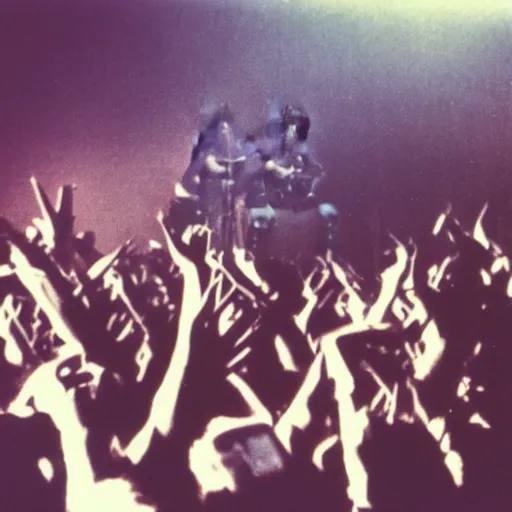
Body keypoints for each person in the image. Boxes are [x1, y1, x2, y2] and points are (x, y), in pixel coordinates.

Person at [242, 104, 340, 258]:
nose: (294, 131)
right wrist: (274, 169)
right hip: (272, 196)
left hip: (295, 198)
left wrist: (308, 174)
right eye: (292, 126)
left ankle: (326, 255)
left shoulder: (300, 150)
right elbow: (261, 164)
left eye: (297, 127)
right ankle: (252, 254)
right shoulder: (271, 146)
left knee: (326, 213)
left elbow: (316, 168)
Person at [174, 105, 246, 252]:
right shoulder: (207, 146)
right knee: (216, 221)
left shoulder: (233, 147)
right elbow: (207, 164)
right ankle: (214, 250)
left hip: (222, 194)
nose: (225, 132)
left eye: (227, 128)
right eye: (222, 128)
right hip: (210, 190)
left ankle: (223, 249)